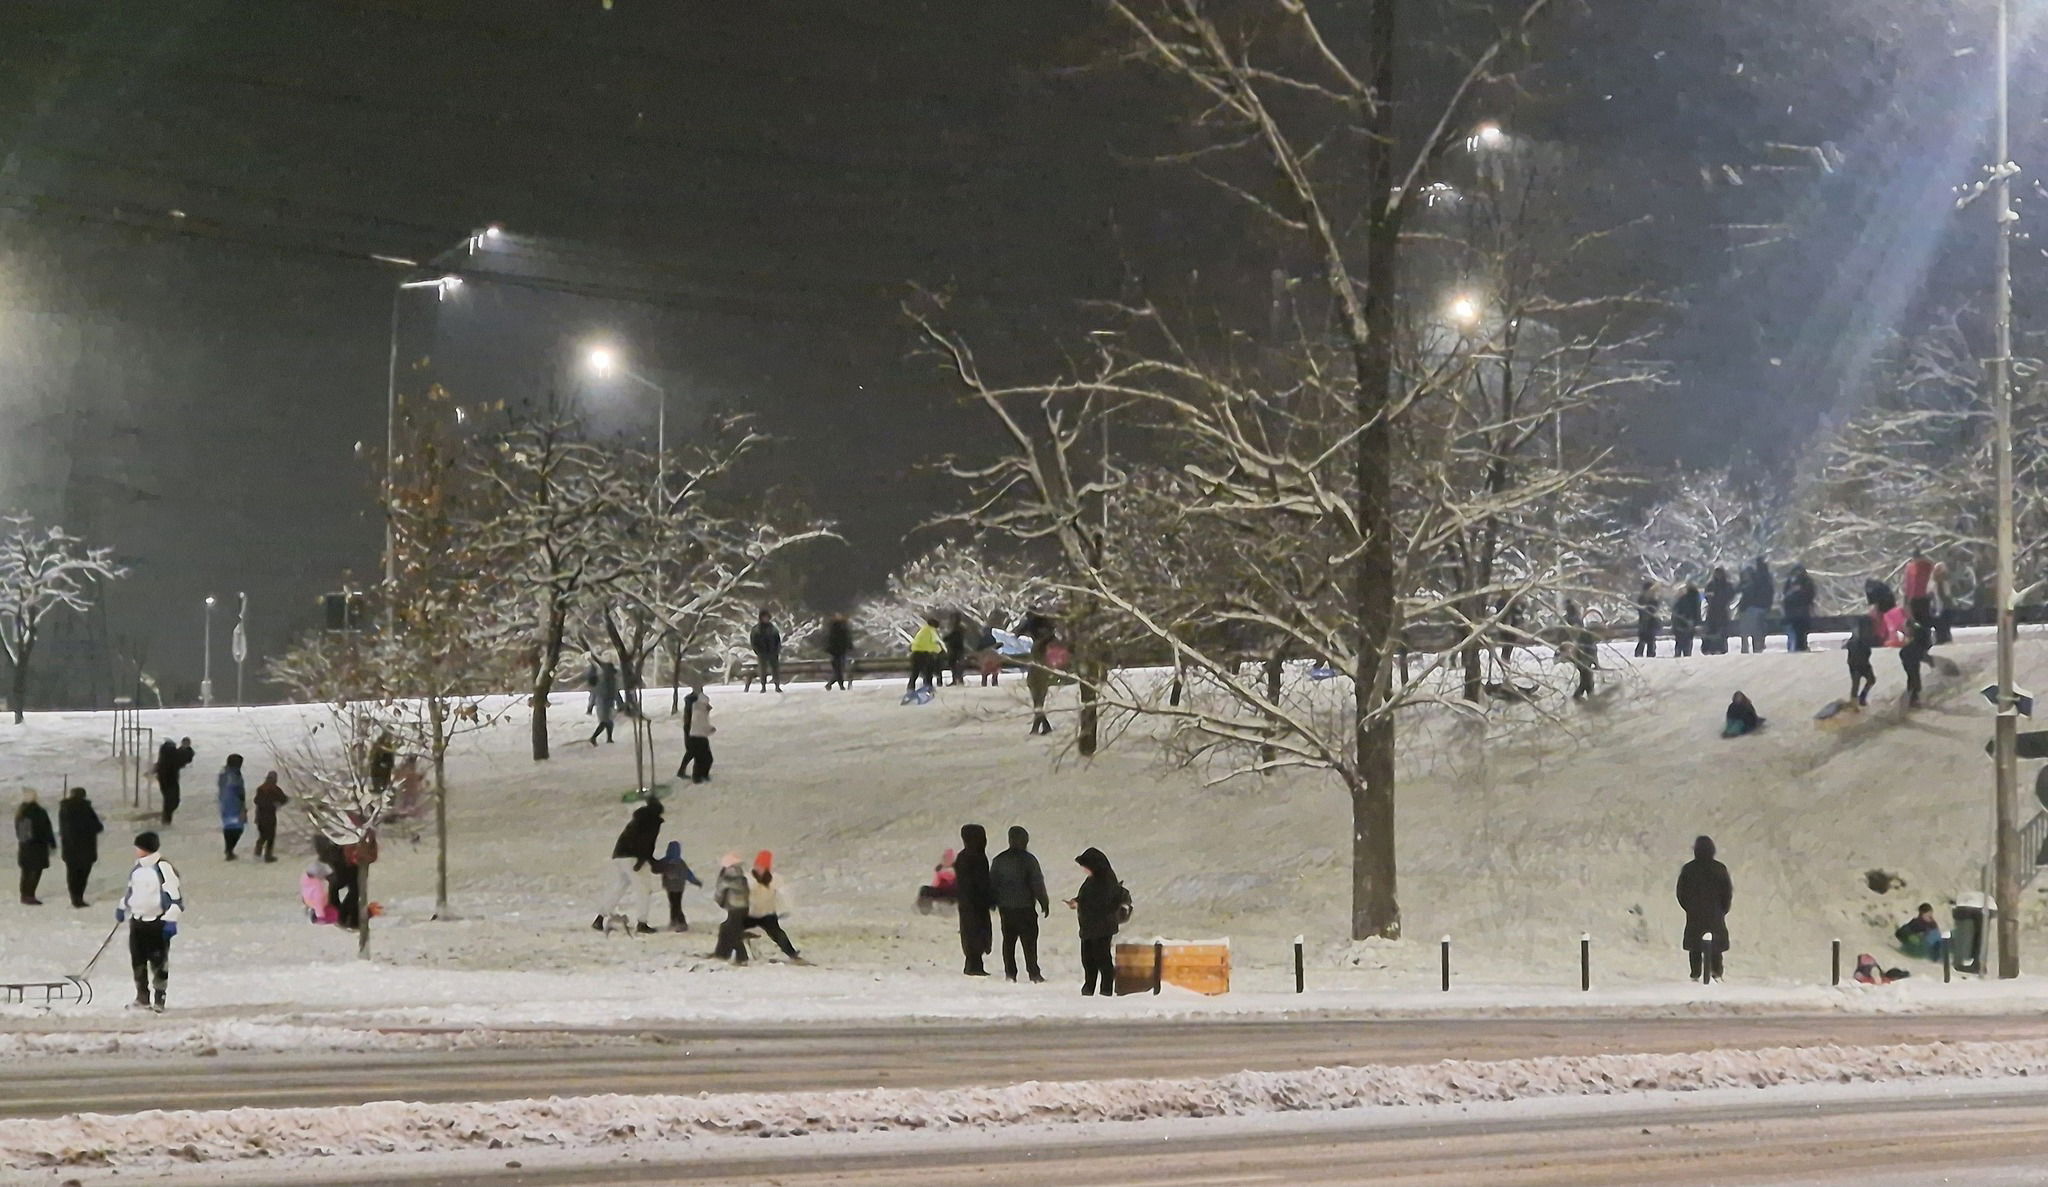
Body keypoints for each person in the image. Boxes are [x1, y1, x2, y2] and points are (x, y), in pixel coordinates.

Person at [117, 831, 183, 1012]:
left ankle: (159, 998)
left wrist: (171, 919)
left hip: (157, 923)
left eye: (138, 847)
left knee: (158, 962)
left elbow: (175, 897)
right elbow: (131, 892)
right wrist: (123, 907)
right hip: (137, 922)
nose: (136, 850)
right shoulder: (137, 869)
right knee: (138, 961)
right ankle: (142, 997)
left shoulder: (163, 868)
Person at [593, 797, 664, 935]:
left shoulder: (636, 819)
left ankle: (599, 918)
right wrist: (644, 861)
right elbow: (647, 843)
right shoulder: (653, 821)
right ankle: (642, 923)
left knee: (619, 887)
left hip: (619, 855)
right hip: (634, 857)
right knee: (644, 889)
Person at [990, 826, 1049, 983]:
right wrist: (1044, 901)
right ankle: (1033, 972)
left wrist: (993, 901)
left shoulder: (999, 860)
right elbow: (1037, 882)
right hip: (1026, 908)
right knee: (1029, 942)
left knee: (1008, 942)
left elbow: (993, 883)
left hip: (1006, 909)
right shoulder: (1029, 860)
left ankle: (1010, 973)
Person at [1067, 846, 1126, 997]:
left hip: (1102, 927)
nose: (1084, 870)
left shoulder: (1106, 880)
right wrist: (1077, 902)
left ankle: (1105, 990)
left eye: (1085, 867)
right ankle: (1089, 988)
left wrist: (1081, 904)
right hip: (1090, 926)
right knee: (1088, 960)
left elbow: (1101, 903)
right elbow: (1088, 898)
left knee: (1102, 959)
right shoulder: (1093, 879)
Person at [1675, 835, 1732, 983]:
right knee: (1716, 946)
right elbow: (1727, 892)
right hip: (1715, 913)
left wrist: (1689, 907)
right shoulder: (1720, 868)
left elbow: (1681, 892)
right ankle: (1716, 972)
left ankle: (1695, 973)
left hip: (1695, 914)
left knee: (1695, 946)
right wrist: (1723, 909)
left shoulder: (1688, 869)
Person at [745, 850, 806, 962]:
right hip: (750, 914)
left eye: (762, 866)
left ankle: (792, 954)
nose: (759, 869)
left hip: (768, 915)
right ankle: (726, 953)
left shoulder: (774, 879)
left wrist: (789, 908)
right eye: (757, 866)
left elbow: (785, 893)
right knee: (730, 928)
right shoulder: (748, 878)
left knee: (778, 934)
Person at [954, 823, 994, 976]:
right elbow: (979, 882)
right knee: (975, 932)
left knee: (972, 931)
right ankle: (974, 964)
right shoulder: (976, 857)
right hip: (975, 903)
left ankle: (973, 963)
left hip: (968, 903)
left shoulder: (965, 856)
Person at [58, 786, 103, 908]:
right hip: (86, 847)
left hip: (69, 848)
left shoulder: (64, 809)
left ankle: (74, 897)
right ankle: (79, 896)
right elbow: (98, 826)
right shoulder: (86, 808)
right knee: (83, 874)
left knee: (72, 873)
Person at [15, 790, 54, 906]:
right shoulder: (38, 812)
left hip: (26, 847)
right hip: (38, 847)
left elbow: (23, 835)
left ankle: (25, 894)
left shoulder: (22, 812)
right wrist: (50, 841)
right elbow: (47, 828)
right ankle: (29, 895)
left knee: (26, 872)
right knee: (35, 872)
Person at [711, 853, 752, 963]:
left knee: (732, 932)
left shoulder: (738, 880)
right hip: (735, 908)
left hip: (739, 908)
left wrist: (724, 883)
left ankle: (741, 957)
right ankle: (722, 953)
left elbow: (732, 887)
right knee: (726, 929)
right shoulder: (734, 878)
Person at [314, 834, 360, 930]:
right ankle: (343, 914)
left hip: (344, 853)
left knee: (353, 887)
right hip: (336, 854)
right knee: (338, 885)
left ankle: (347, 914)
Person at [656, 840, 702, 932]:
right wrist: (695, 881)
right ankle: (678, 922)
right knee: (676, 904)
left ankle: (677, 922)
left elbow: (655, 868)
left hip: (670, 888)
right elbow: (688, 874)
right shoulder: (681, 863)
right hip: (679, 888)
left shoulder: (665, 861)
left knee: (674, 905)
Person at [677, 682, 715, 783]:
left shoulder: (695, 701)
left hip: (694, 730)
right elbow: (697, 717)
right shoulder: (694, 703)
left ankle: (694, 773)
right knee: (694, 752)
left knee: (693, 752)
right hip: (694, 730)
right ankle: (697, 775)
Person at [1737, 558, 1773, 654]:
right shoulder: (1766, 578)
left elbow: (1748, 594)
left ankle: (1749, 647)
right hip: (1759, 607)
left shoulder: (1755, 580)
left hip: (1751, 607)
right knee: (1757, 629)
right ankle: (1757, 646)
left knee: (1750, 629)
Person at [156, 737, 194, 825]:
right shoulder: (172, 756)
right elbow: (184, 758)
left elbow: (182, 758)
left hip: (164, 779)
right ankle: (166, 818)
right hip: (170, 780)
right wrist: (186, 748)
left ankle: (166, 818)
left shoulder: (166, 757)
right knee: (172, 800)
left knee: (169, 800)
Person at [252, 771, 288, 863]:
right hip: (270, 816)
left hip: (260, 816)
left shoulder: (260, 789)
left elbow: (256, 801)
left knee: (262, 835)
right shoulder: (276, 790)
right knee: (270, 837)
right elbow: (284, 799)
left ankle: (257, 852)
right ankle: (268, 856)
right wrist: (276, 804)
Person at [1562, 600, 1595, 700]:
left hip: (1577, 650)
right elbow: (1578, 634)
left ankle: (1585, 694)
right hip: (1582, 649)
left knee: (1585, 673)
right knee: (1586, 673)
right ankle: (1584, 695)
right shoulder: (1576, 620)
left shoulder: (1566, 619)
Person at [217, 753, 247, 860]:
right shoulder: (233, 776)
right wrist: (242, 804)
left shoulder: (225, 773)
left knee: (230, 826)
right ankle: (229, 849)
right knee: (236, 828)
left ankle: (229, 849)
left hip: (225, 804)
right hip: (234, 804)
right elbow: (238, 790)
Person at [1901, 613, 1934, 709]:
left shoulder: (1919, 629)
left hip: (1909, 654)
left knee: (1913, 677)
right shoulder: (1919, 629)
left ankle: (1912, 698)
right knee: (1914, 677)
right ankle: (1913, 699)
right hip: (1910, 654)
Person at [1782, 564, 1817, 653]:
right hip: (1792, 611)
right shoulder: (1789, 582)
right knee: (1794, 629)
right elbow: (1785, 595)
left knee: (1802, 629)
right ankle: (1795, 646)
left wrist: (1800, 593)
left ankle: (1801, 646)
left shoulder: (1807, 582)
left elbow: (1810, 595)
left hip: (1802, 609)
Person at [1847, 613, 1879, 706]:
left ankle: (1862, 697)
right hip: (1856, 665)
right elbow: (1853, 652)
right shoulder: (1856, 639)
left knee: (1871, 680)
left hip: (1864, 663)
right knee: (1856, 685)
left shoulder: (1866, 637)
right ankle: (1854, 702)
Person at [1702, 568, 1734, 655]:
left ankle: (1722, 648)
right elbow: (1707, 596)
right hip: (1712, 611)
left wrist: (1721, 599)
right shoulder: (1710, 585)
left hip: (1723, 611)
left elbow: (1730, 596)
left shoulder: (1727, 585)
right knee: (1711, 631)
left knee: (1722, 631)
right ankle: (1710, 648)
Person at [908, 616, 944, 695]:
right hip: (925, 654)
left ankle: (910, 688)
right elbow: (935, 642)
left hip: (915, 653)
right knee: (928, 672)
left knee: (915, 672)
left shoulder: (922, 630)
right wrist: (940, 650)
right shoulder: (931, 631)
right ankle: (928, 687)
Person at [750, 610, 783, 693]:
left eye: (767, 617)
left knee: (775, 670)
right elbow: (753, 642)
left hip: (773, 652)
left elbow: (778, 640)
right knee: (762, 670)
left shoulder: (773, 629)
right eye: (764, 617)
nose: (766, 619)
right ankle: (763, 686)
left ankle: (777, 685)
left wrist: (777, 650)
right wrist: (758, 652)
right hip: (762, 653)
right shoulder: (756, 630)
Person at [1902, 550, 1936, 630]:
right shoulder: (1910, 567)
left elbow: (1933, 578)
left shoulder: (1927, 565)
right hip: (1914, 597)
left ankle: (1925, 635)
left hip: (1924, 597)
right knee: (1916, 620)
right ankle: (1918, 635)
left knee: (1925, 619)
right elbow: (1908, 582)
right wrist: (1906, 597)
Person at [589, 663, 620, 745]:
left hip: (607, 702)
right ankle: (594, 737)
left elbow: (615, 692)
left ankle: (609, 738)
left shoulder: (608, 680)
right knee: (605, 721)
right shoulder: (604, 681)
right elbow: (599, 692)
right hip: (603, 702)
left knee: (609, 721)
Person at [824, 613, 855, 690]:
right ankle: (839, 685)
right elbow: (846, 639)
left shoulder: (834, 628)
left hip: (837, 652)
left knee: (838, 670)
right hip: (839, 651)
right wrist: (850, 647)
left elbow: (830, 641)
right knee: (839, 670)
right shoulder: (840, 628)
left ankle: (831, 684)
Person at [1671, 582, 1701, 659]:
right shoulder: (1695, 598)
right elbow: (1697, 611)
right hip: (1688, 622)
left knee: (1680, 640)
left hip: (1681, 623)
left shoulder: (1682, 599)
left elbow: (1676, 611)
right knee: (1687, 640)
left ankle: (1679, 653)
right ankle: (1686, 654)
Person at [1633, 580, 1660, 658]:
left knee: (1651, 640)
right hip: (1644, 622)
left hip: (1652, 622)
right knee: (1642, 639)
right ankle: (1639, 654)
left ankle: (1651, 654)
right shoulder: (1642, 599)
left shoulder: (1654, 599)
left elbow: (1654, 609)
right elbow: (1641, 609)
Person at [1930, 560, 1954, 644]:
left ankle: (1946, 637)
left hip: (1945, 610)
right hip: (1935, 609)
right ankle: (1940, 637)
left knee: (1945, 624)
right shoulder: (1932, 584)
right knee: (1939, 626)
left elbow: (1947, 597)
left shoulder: (1945, 584)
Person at [943, 614, 968, 687]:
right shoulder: (961, 627)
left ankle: (956, 680)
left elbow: (952, 636)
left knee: (953, 664)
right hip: (959, 649)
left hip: (955, 649)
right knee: (957, 665)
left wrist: (946, 639)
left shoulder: (957, 628)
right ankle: (959, 680)